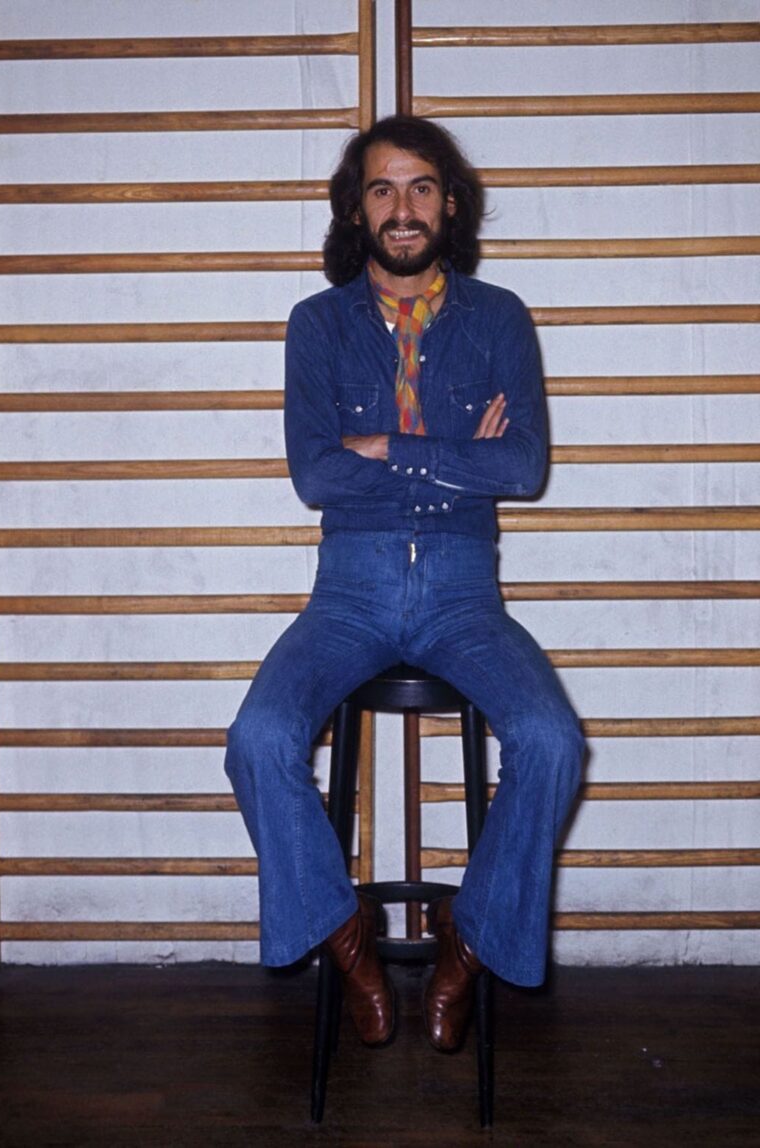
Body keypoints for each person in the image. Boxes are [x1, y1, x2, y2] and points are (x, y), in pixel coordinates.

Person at [225, 115, 585, 1052]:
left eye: (421, 186)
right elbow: (315, 476)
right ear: (356, 209)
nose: (402, 206)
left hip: (465, 594)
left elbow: (523, 467)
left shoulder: (499, 317)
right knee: (258, 738)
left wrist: (388, 446)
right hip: (350, 590)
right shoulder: (317, 324)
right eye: (381, 188)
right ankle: (346, 936)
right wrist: (458, 455)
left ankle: (471, 938)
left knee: (551, 740)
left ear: (449, 203)